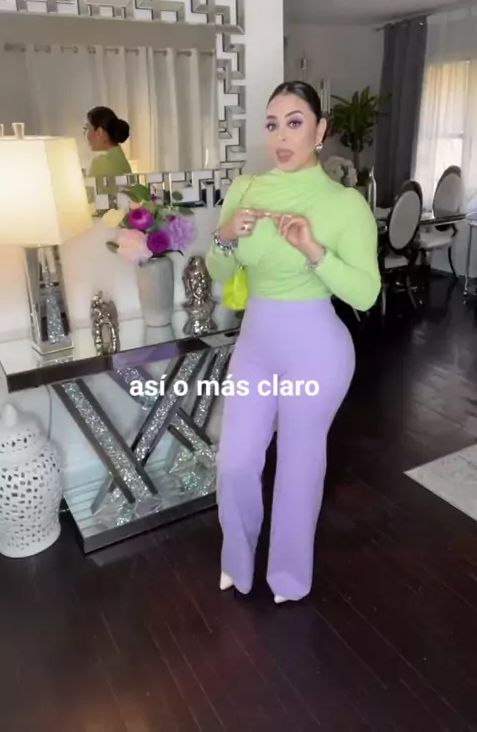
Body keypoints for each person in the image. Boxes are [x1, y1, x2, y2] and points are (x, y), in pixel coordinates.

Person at [206, 80, 381, 604]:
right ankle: (237, 561)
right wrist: (224, 237)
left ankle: (288, 576)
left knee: (298, 467)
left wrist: (314, 252)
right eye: (272, 124)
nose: (281, 136)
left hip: (316, 350)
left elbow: (366, 294)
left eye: (295, 123)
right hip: (256, 345)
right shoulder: (244, 189)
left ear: (320, 130)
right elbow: (220, 271)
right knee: (235, 461)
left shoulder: (344, 203)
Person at [85, 106, 132, 176]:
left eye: (86, 128)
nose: (85, 135)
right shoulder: (122, 161)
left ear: (99, 133)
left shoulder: (99, 164)